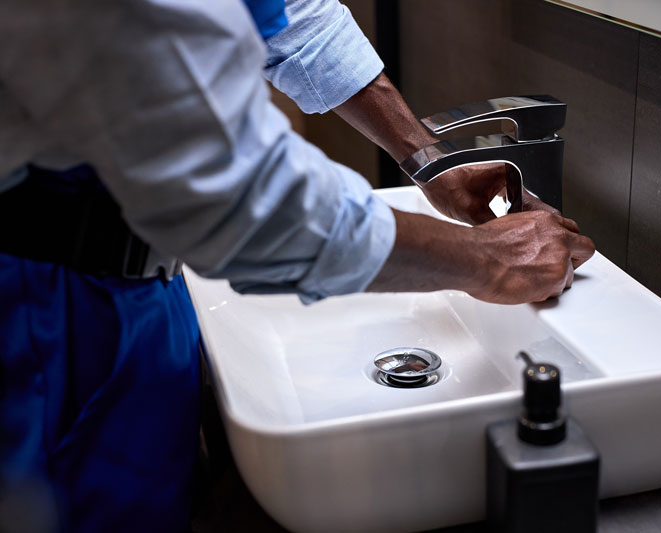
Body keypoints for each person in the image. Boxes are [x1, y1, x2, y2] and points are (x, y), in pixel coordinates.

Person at [0, 0, 595, 531]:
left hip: (140, 283)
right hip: (42, 310)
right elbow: (241, 199)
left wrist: (428, 160)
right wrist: (487, 260)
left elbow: (292, 15)